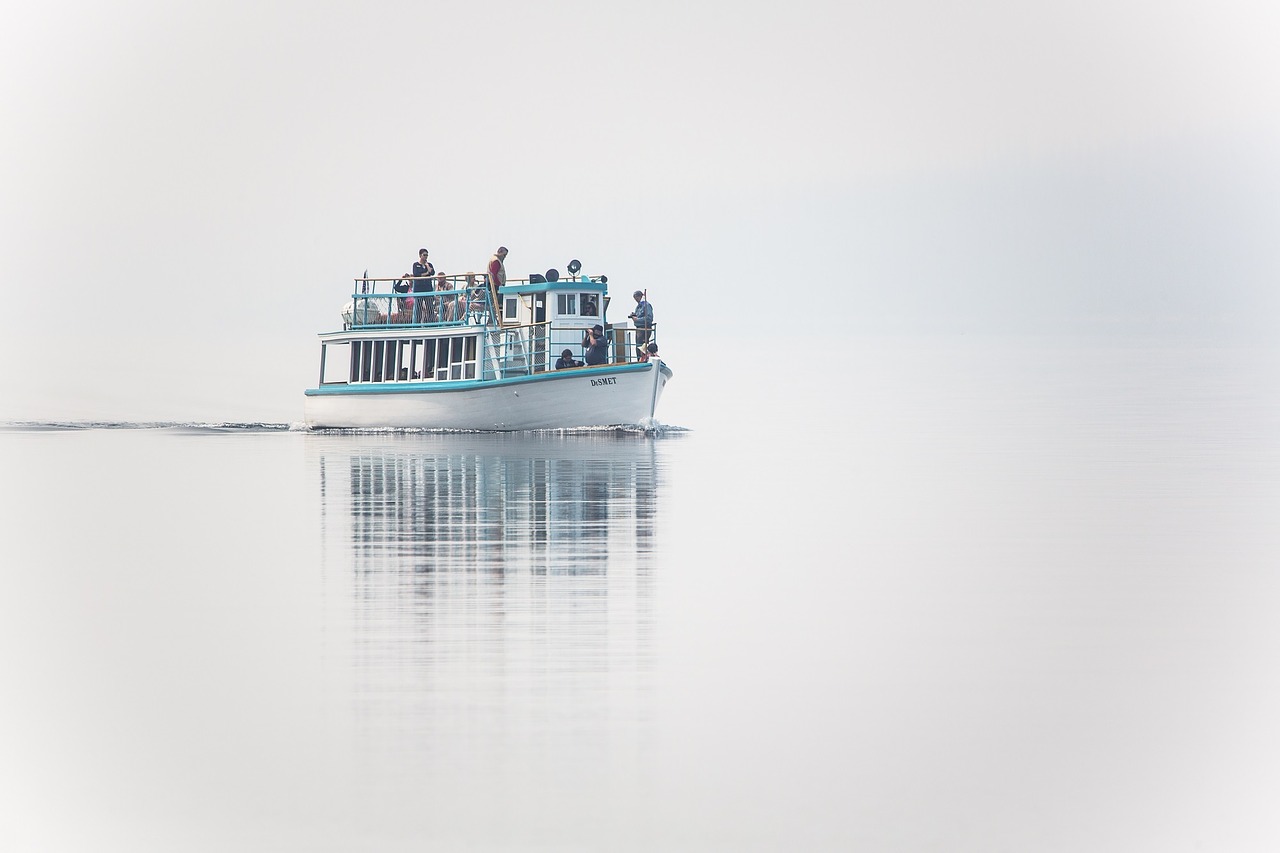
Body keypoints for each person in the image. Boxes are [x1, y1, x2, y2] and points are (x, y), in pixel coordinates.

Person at [412, 248, 436, 322]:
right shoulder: (416, 265)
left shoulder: (429, 264)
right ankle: (417, 325)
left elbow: (432, 272)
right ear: (420, 255)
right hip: (419, 289)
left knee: (430, 307)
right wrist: (426, 273)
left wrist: (427, 266)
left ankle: (431, 323)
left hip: (428, 288)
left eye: (427, 255)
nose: (426, 257)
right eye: (424, 255)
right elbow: (417, 274)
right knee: (418, 309)